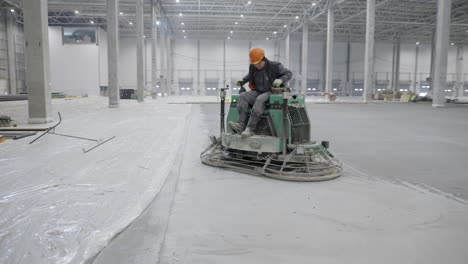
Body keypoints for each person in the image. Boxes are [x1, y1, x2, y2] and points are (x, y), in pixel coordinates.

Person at [228, 47, 292, 138]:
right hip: (258, 91)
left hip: (272, 92)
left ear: (263, 59)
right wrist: (243, 80)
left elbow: (288, 73)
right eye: (254, 63)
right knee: (242, 96)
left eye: (258, 63)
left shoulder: (275, 66)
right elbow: (250, 76)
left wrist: (281, 80)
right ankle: (241, 125)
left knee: (260, 99)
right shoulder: (253, 67)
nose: (256, 65)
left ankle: (250, 129)